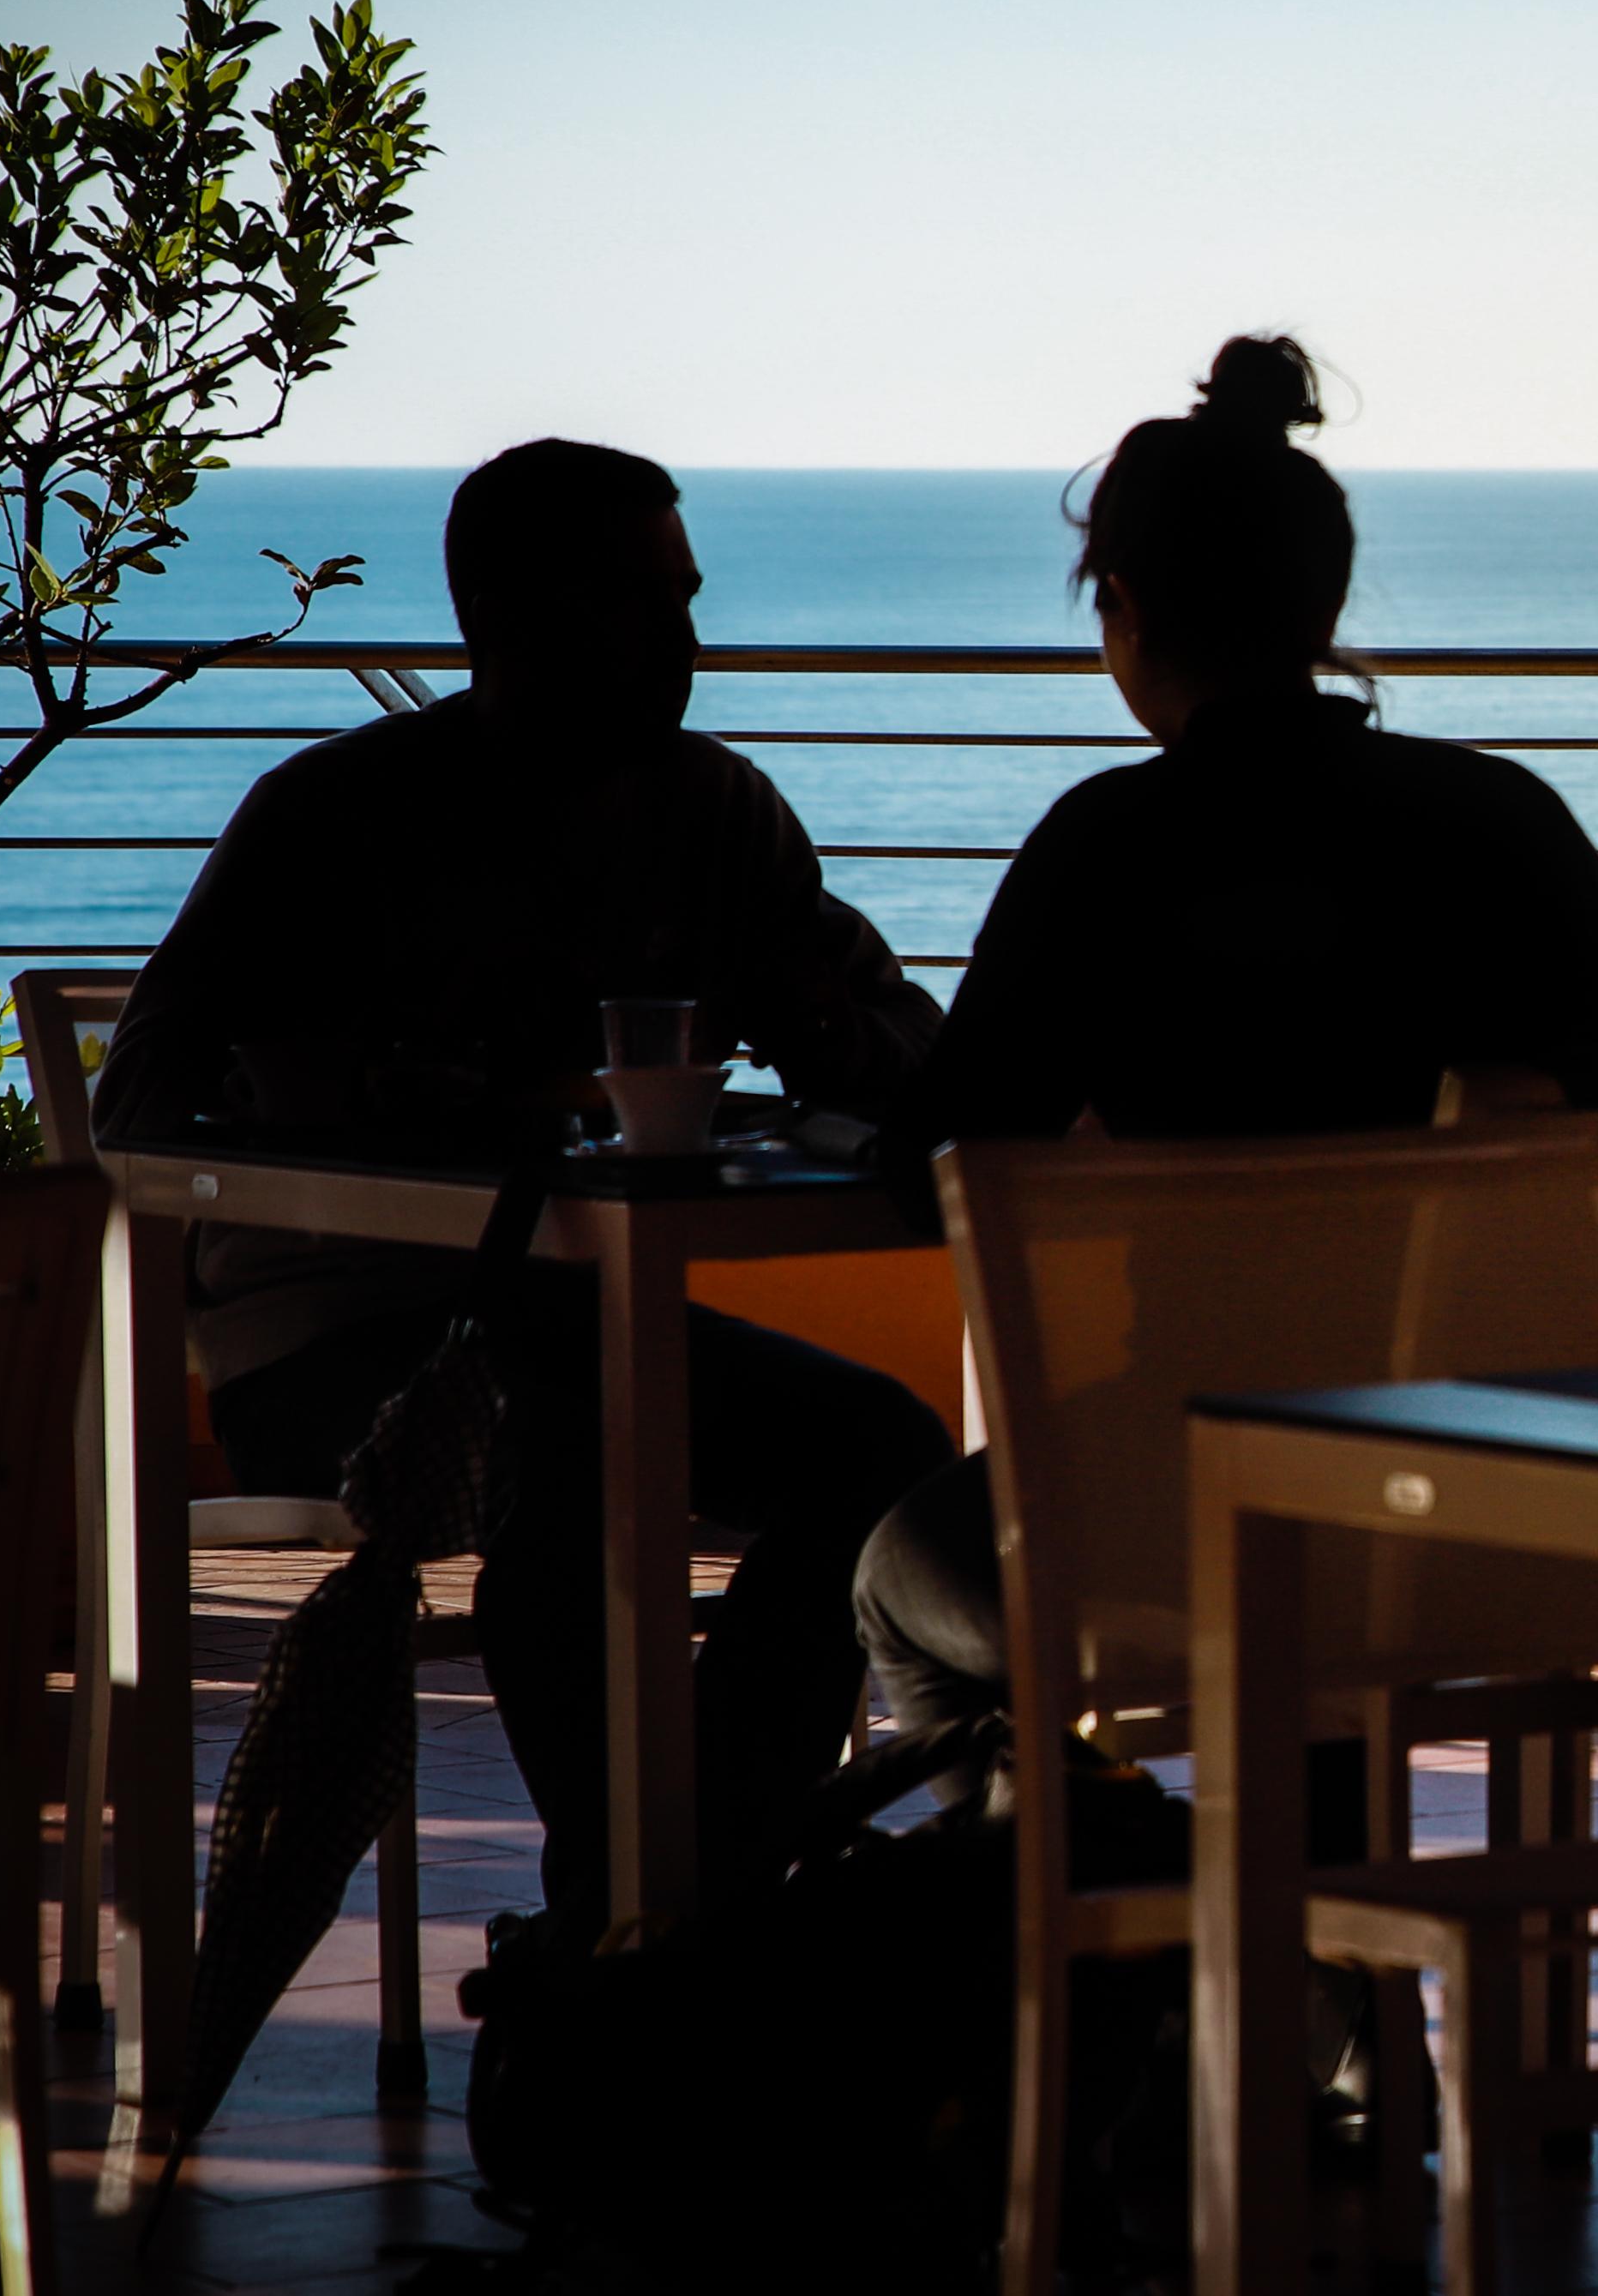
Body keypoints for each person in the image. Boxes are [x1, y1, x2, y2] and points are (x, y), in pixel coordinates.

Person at [99, 438, 958, 1916]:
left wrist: (825, 1024)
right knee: (570, 1466)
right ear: (500, 615)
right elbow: (139, 1097)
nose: (684, 642)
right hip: (327, 1326)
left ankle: (688, 1872)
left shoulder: (715, 817)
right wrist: (353, 1097)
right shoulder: (335, 815)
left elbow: (910, 1050)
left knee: (881, 1447)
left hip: (578, 1314)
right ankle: (656, 1898)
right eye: (635, 602)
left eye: (685, 600)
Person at [854, 336, 1598, 1797]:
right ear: (1324, 600)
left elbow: (933, 1174)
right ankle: (1311, 1970)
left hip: (1196, 1497)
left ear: (1126, 610)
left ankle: (1092, 1955)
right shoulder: (1510, 824)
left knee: (897, 1578)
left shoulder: (1109, 848)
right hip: (1517, 1506)